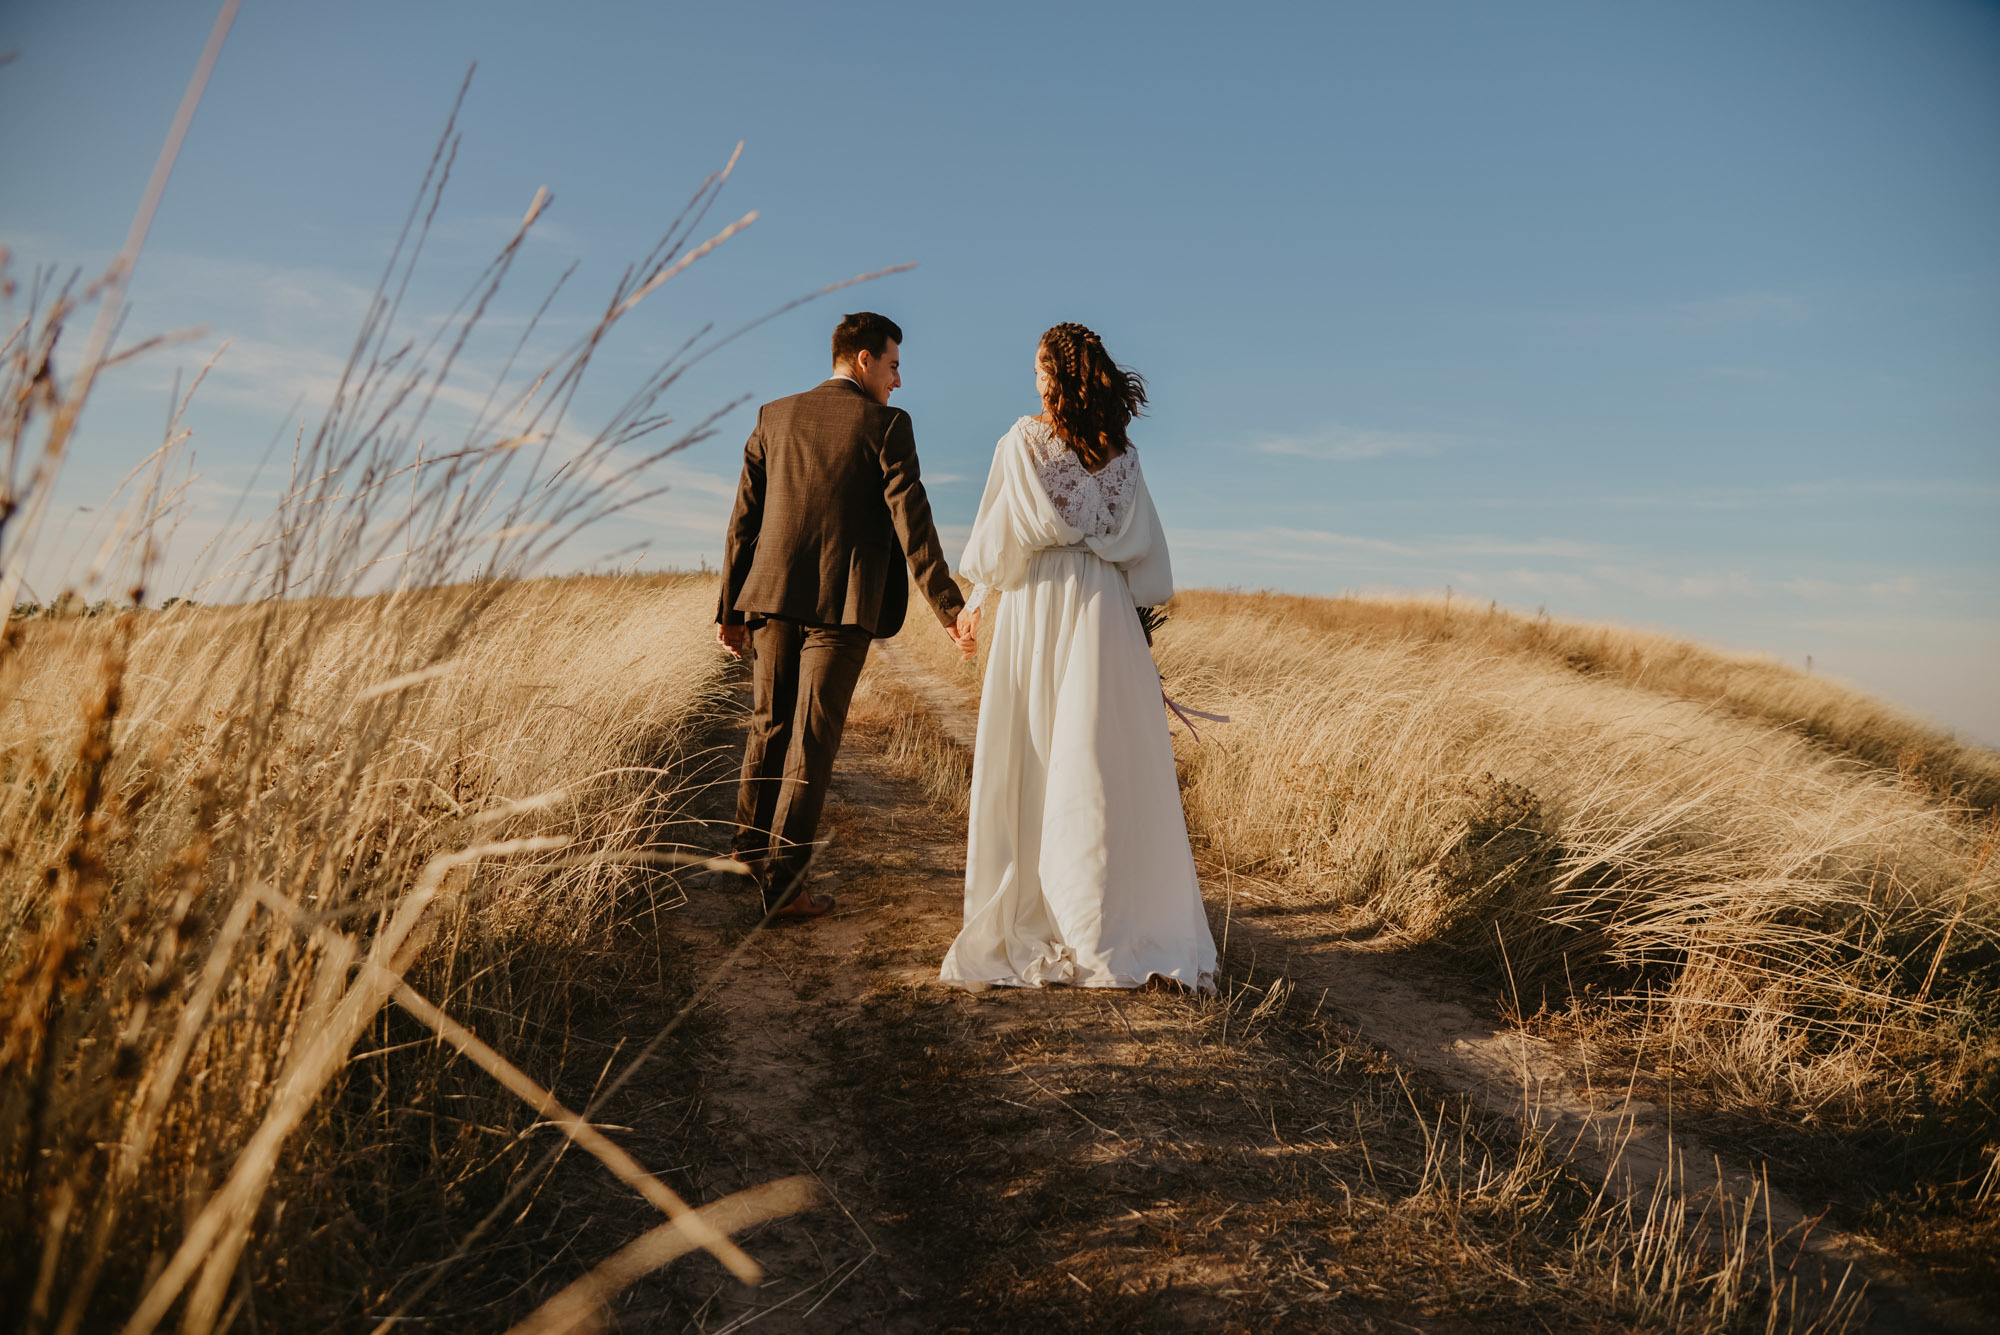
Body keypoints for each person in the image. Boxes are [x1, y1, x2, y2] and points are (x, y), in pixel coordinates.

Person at [940, 323, 1217, 989]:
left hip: (1040, 604)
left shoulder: (1023, 439)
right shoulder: (1124, 455)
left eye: (1040, 369)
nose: (1035, 380)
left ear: (1058, 376)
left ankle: (1053, 911)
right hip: (1106, 612)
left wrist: (976, 603)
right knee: (1102, 759)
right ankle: (1110, 914)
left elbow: (1001, 538)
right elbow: (1145, 562)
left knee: (1040, 753)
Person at [716, 312, 971, 919]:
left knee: (770, 724)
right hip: (844, 604)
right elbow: (913, 521)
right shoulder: (887, 425)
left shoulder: (774, 415)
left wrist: (730, 609)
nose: (897, 381)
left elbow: (743, 520)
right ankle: (784, 889)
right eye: (893, 366)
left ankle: (748, 852)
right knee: (813, 736)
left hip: (769, 599)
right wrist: (949, 607)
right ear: (863, 360)